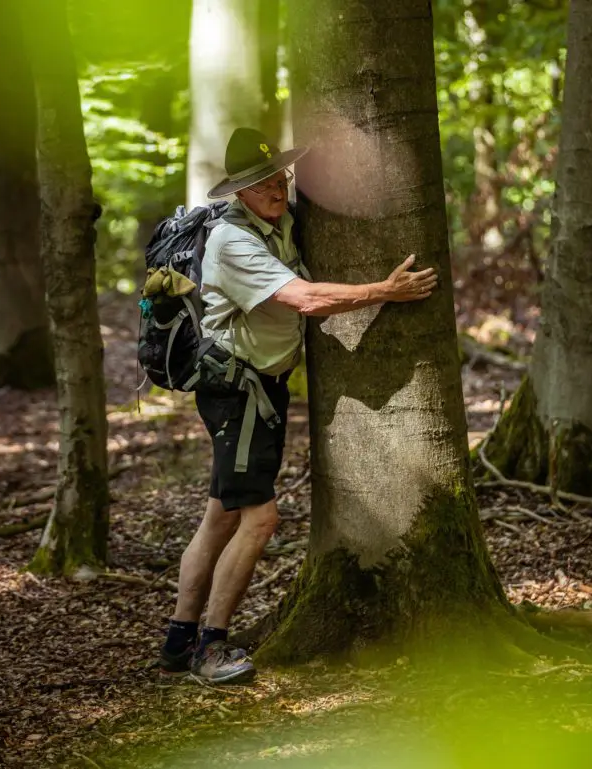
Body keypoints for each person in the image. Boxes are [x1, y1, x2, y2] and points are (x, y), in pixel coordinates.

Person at [160, 127, 437, 683]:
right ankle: (211, 648)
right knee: (260, 519)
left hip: (258, 389)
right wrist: (384, 291)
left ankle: (177, 640)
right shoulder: (231, 242)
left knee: (221, 517)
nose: (273, 186)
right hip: (237, 393)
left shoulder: (279, 219)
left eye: (277, 175)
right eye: (258, 181)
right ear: (236, 192)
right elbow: (305, 298)